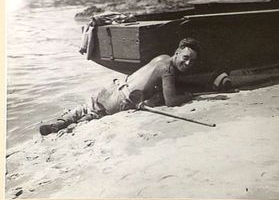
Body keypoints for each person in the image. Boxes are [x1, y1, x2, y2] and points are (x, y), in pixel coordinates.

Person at [39, 38, 200, 136]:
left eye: (192, 62)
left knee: (87, 108)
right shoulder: (168, 69)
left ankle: (59, 123)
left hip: (114, 87)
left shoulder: (163, 58)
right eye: (185, 58)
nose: (187, 63)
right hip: (121, 99)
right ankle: (74, 122)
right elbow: (171, 101)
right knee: (97, 114)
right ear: (177, 52)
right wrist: (188, 96)